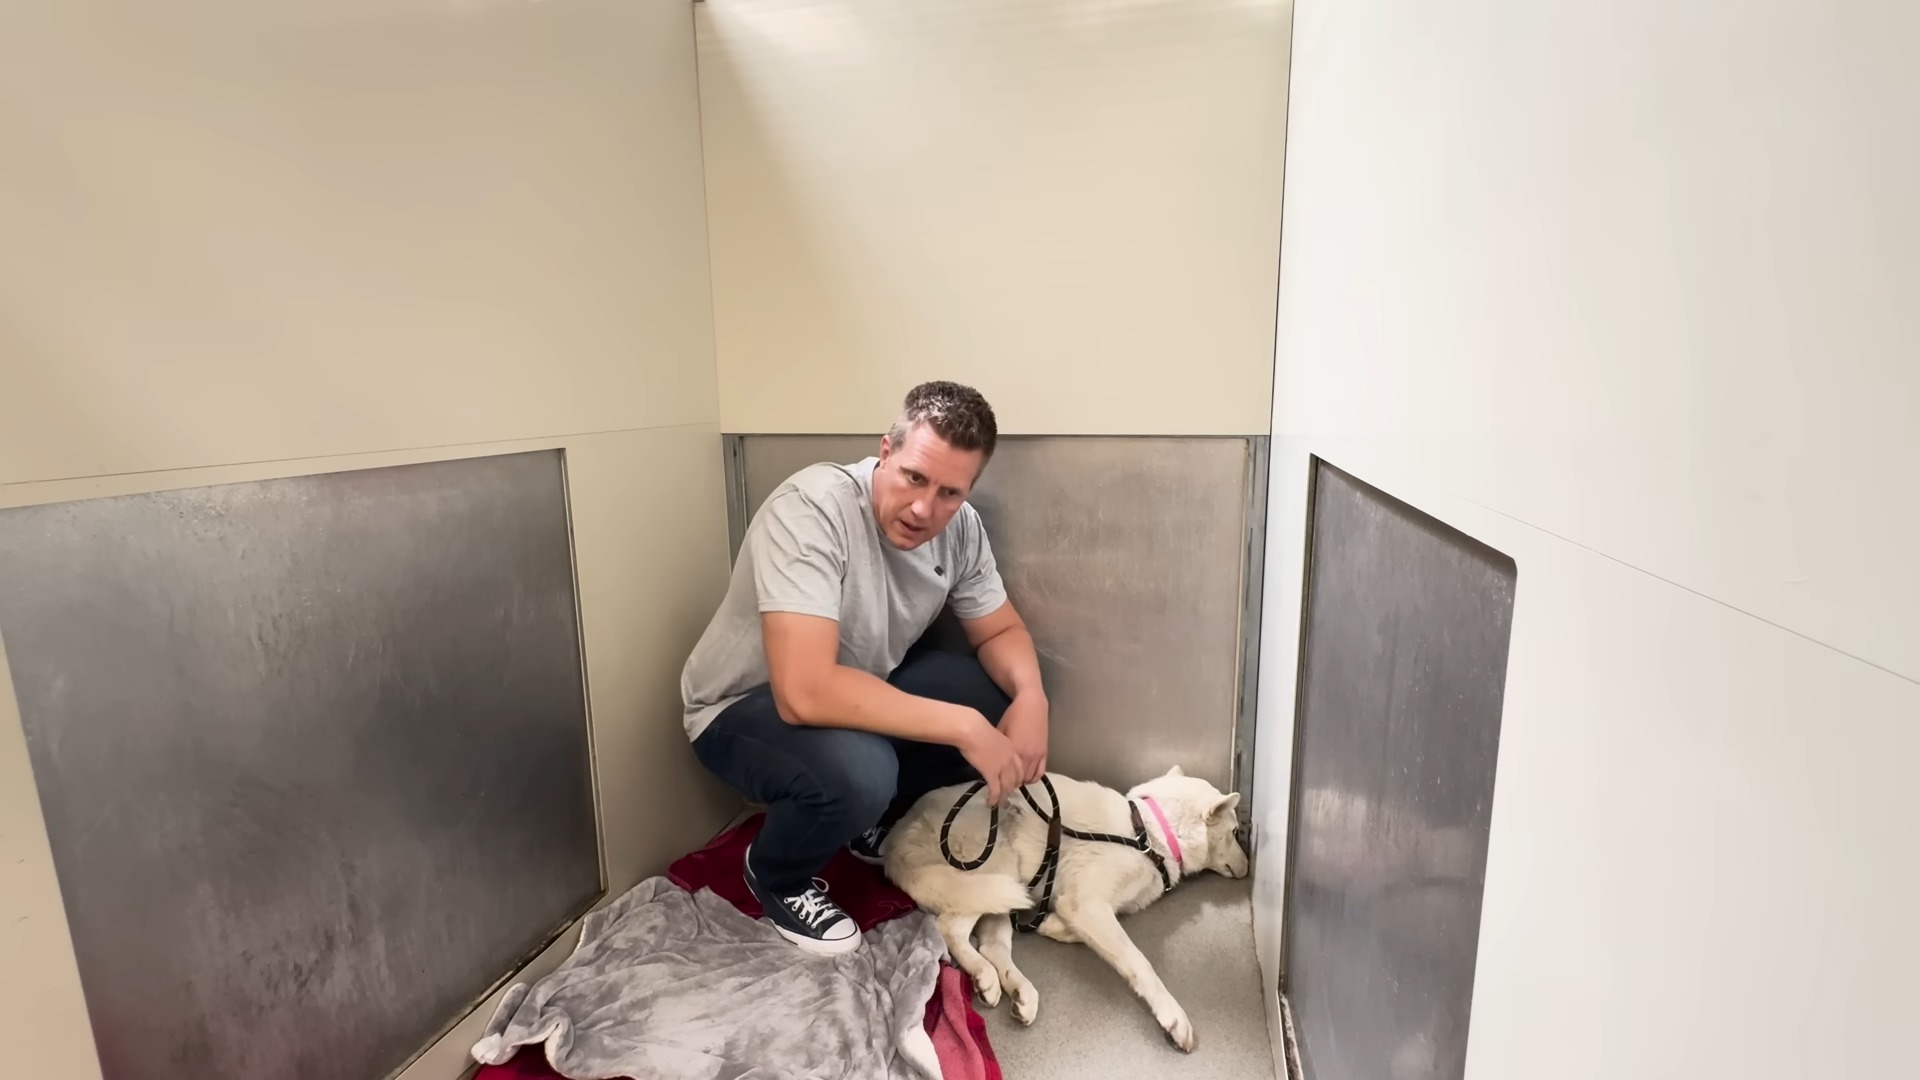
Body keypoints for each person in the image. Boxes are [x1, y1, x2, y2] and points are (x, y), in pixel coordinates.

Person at [679, 380, 1050, 954]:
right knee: (866, 768)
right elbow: (802, 692)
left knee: (988, 693)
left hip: (853, 694)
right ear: (885, 451)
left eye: (950, 492)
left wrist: (1032, 698)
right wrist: (963, 728)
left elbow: (1001, 630)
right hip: (741, 710)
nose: (926, 508)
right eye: (914, 477)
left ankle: (871, 822)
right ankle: (776, 874)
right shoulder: (811, 510)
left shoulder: (961, 530)